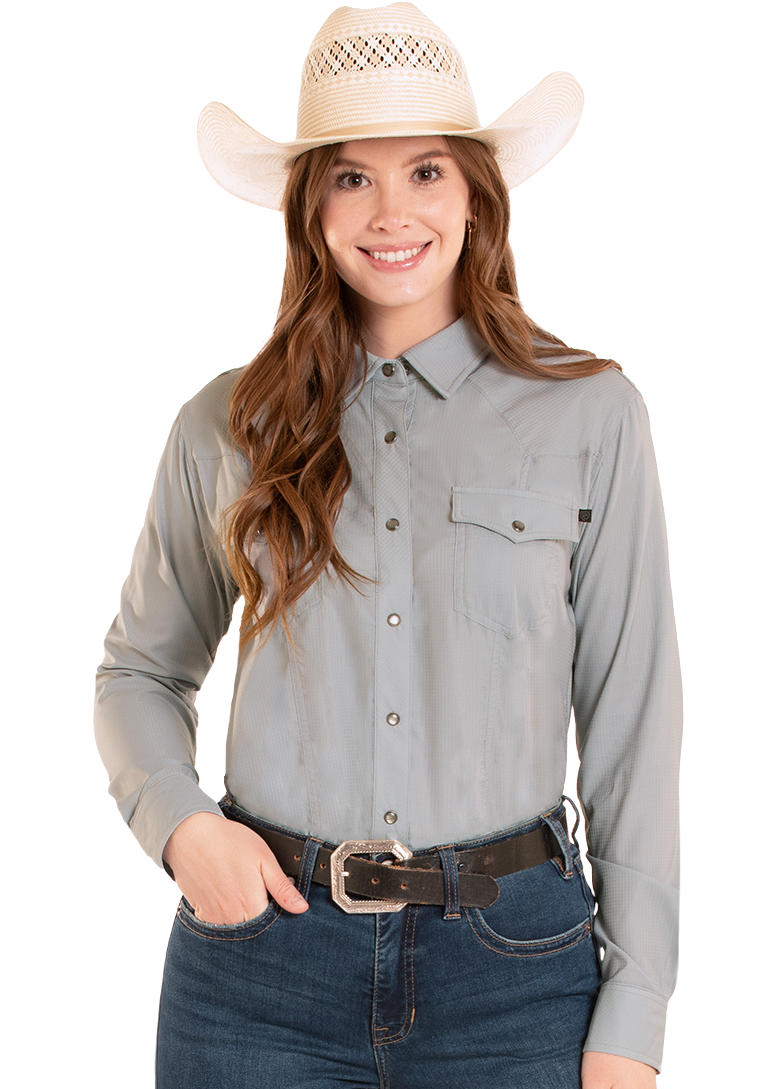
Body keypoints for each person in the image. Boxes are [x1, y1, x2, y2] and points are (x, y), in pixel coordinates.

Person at [93, 3, 681, 1087]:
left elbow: (631, 722)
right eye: (350, 177)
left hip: (518, 971)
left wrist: (633, 1011)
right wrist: (183, 830)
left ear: (473, 193)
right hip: (258, 966)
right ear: (309, 205)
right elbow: (138, 671)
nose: (388, 211)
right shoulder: (225, 425)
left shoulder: (591, 413)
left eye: (422, 172)